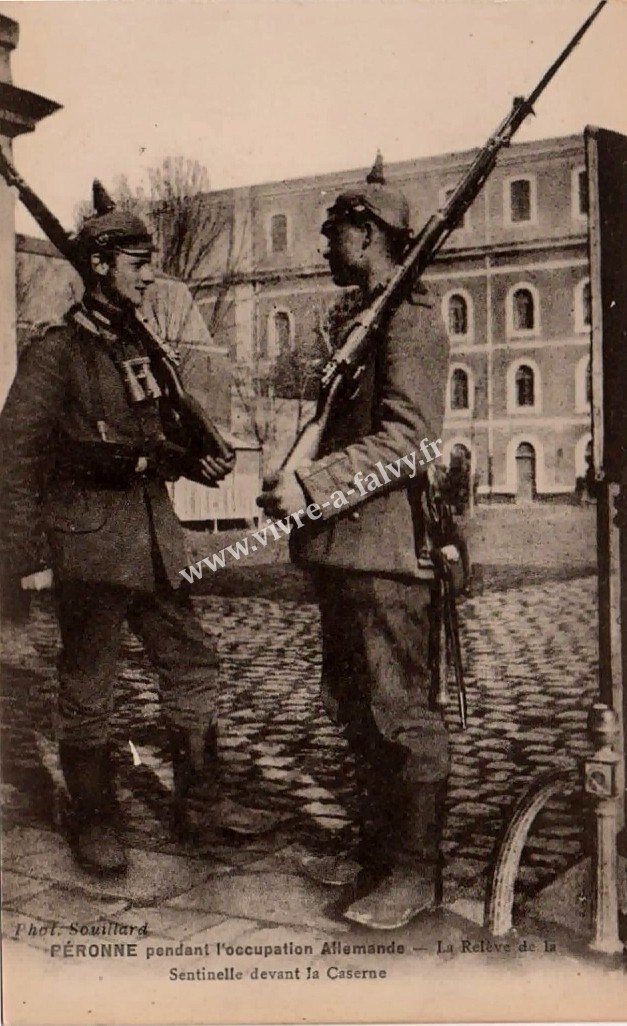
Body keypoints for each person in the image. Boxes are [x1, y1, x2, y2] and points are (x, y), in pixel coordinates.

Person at [0, 184, 268, 878]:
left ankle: (200, 803)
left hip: (154, 541)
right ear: (99, 265)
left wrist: (194, 459)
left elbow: (156, 433)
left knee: (192, 662)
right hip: (89, 543)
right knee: (89, 685)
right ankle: (93, 821)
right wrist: (21, 555)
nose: (150, 275)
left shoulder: (136, 346)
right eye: (138, 262)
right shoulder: (58, 351)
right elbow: (19, 455)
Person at [259, 157, 451, 929]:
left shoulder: (408, 320)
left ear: (366, 234)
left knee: (399, 714)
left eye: (332, 230)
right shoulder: (361, 319)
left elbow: (410, 440)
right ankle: (380, 852)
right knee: (353, 706)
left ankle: (416, 872)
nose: (323, 244)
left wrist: (309, 486)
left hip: (385, 556)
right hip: (343, 550)